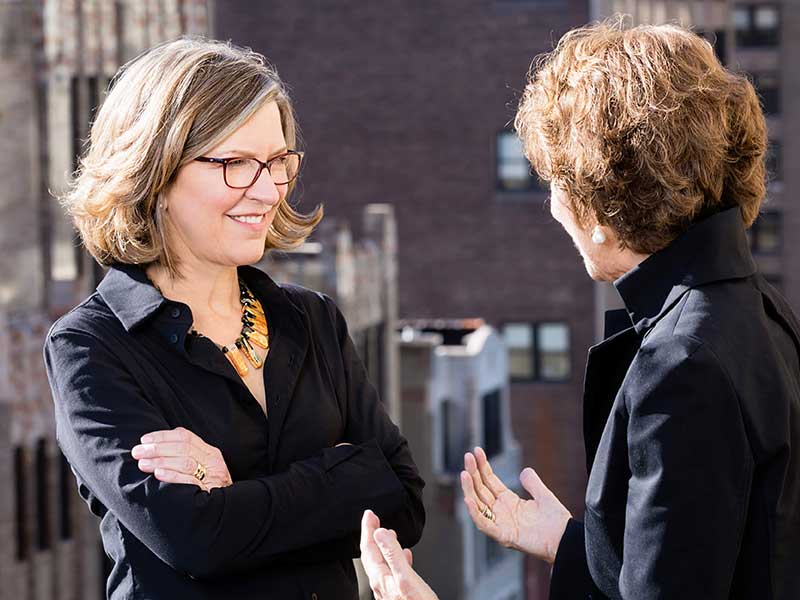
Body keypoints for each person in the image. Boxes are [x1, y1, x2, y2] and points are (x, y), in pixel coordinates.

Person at [360, 19, 800, 600]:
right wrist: (570, 543)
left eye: (556, 182)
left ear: (602, 205)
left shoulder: (683, 363)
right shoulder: (756, 309)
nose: (552, 206)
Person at [43, 37, 424, 600]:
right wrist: (343, 475)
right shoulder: (91, 347)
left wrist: (231, 491)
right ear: (156, 171)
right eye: (236, 163)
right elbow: (195, 538)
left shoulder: (311, 319)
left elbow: (405, 503)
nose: (268, 189)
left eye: (276, 161)